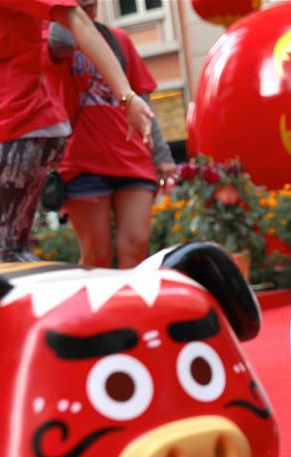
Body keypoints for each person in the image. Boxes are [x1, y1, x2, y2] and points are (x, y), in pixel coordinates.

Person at [0, 0, 154, 265]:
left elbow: (75, 18)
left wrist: (126, 97)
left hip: (19, 122)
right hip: (14, 125)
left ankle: (49, 304)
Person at [50, 0, 173, 268]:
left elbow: (143, 100)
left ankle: (130, 309)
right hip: (82, 163)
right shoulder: (55, 41)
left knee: (136, 245)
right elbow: (57, 39)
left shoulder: (118, 39)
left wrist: (162, 155)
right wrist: (68, 14)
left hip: (133, 158)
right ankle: (102, 310)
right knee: (97, 256)